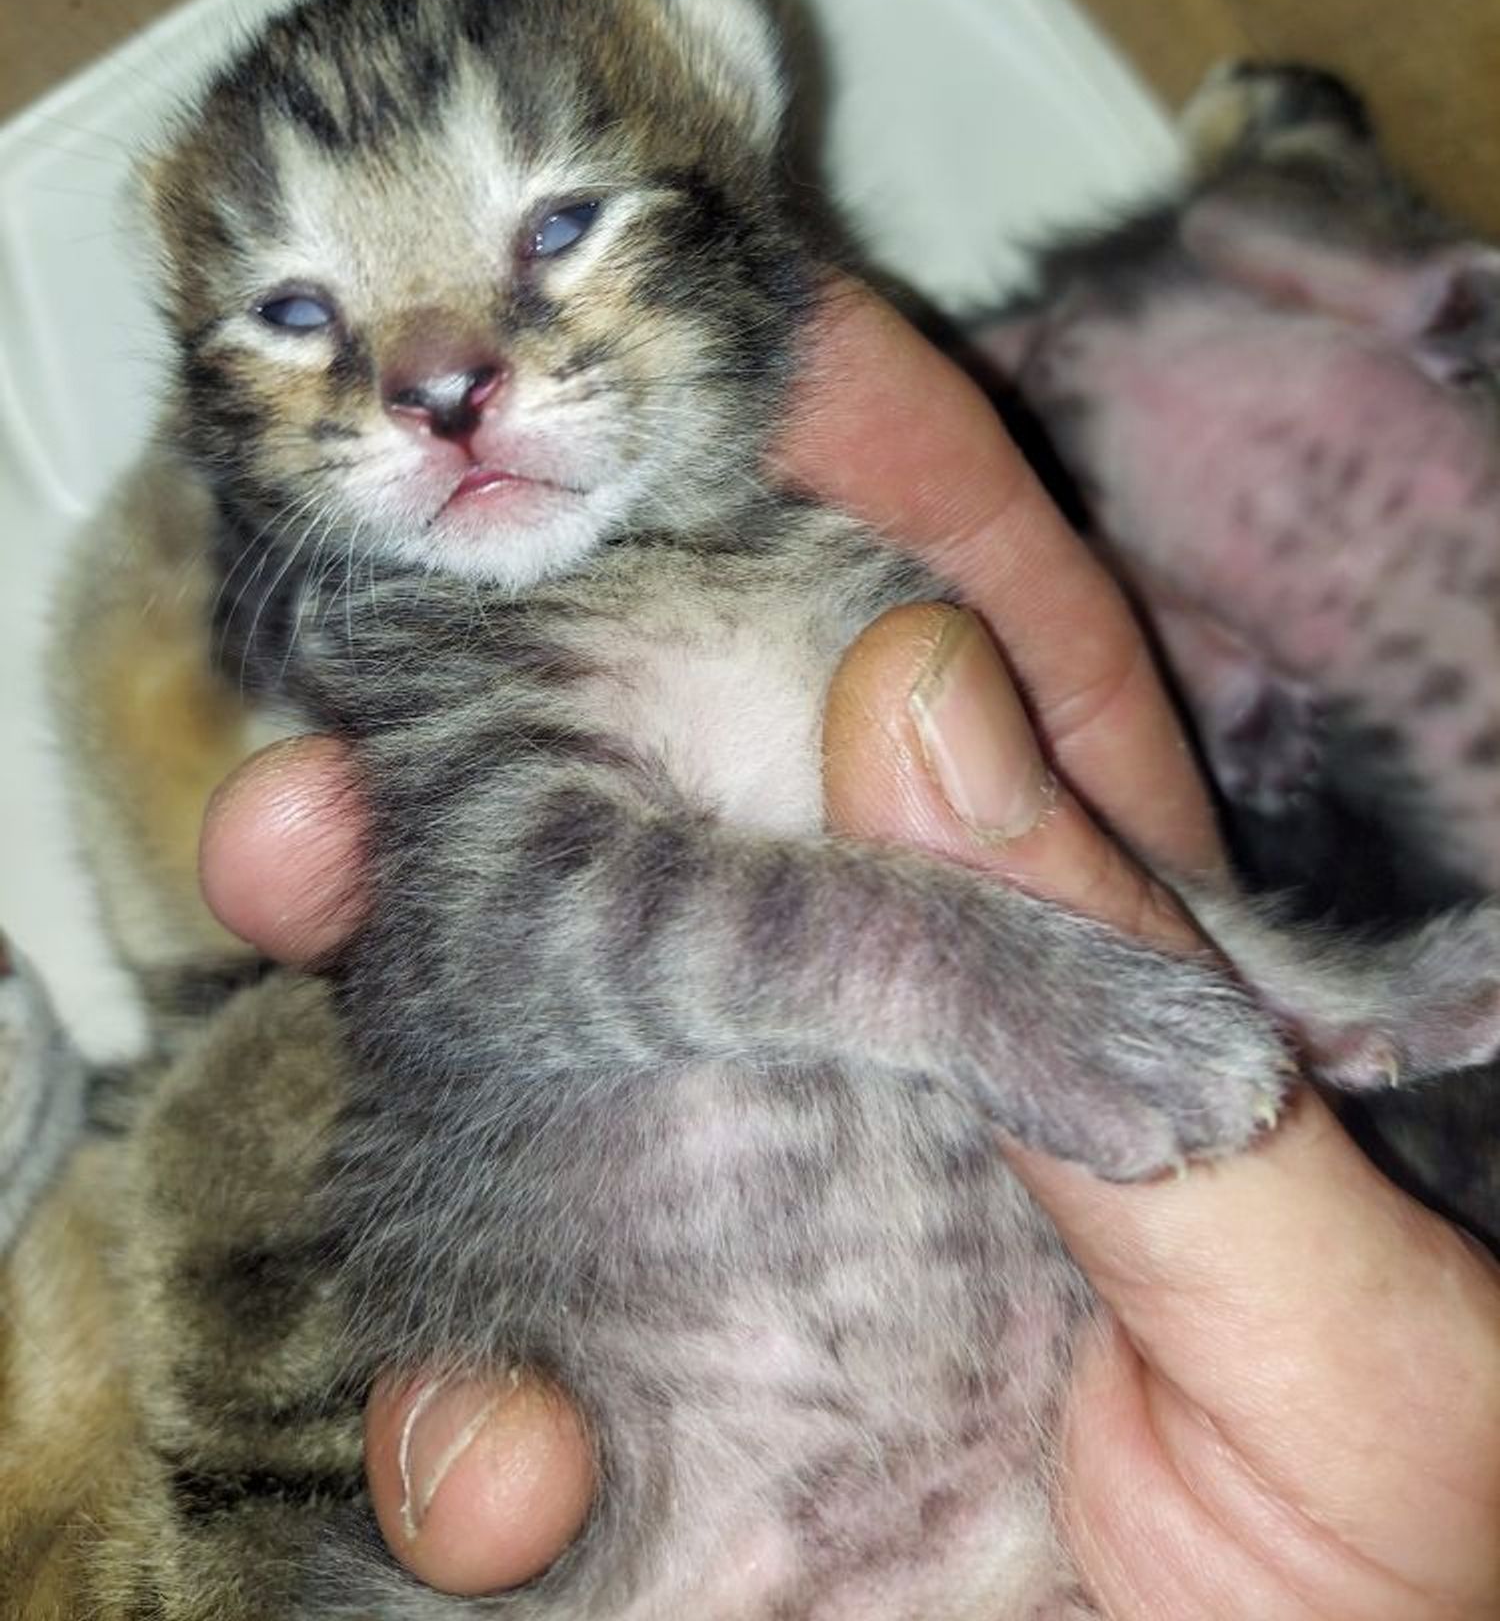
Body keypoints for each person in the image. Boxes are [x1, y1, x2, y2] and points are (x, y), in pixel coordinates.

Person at [200, 282, 1500, 1617]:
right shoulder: (442, 671)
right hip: (701, 1528)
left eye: (559, 234)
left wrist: (1331, 992)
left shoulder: (827, 559)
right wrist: (947, 971)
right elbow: (548, 930)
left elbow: (1077, 893)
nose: (443, 376)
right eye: (297, 312)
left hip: (1034, 1520)